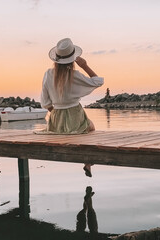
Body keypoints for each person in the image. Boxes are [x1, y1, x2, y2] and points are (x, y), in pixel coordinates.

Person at [37, 38, 104, 177]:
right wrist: (85, 65)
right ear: (72, 59)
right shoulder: (75, 75)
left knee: (83, 132)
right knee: (90, 129)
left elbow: (45, 101)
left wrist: (56, 114)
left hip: (56, 120)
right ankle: (88, 162)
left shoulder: (48, 74)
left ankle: (88, 162)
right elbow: (98, 81)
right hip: (75, 115)